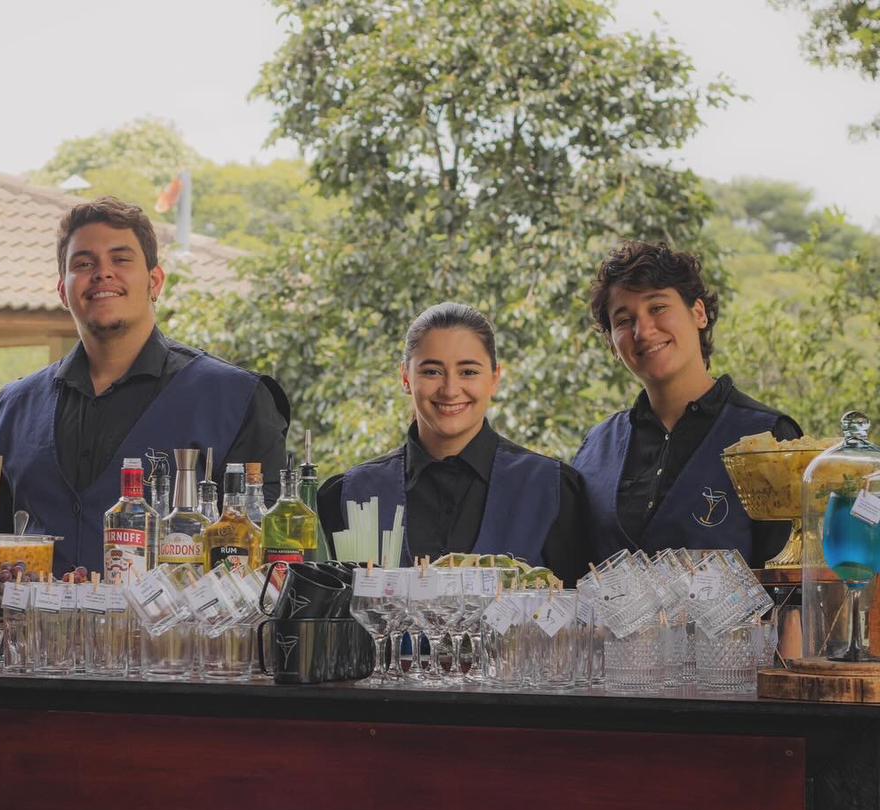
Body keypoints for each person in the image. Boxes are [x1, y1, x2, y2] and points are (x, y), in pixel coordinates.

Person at [0, 197, 289, 576]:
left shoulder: (237, 398)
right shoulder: (15, 407)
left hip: (181, 632)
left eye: (121, 259)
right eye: (83, 263)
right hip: (38, 633)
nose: (102, 273)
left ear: (155, 281)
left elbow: (275, 561)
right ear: (63, 291)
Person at [319, 302, 590, 585]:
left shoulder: (551, 489)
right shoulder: (349, 495)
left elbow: (581, 619)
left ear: (495, 378)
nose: (450, 390)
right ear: (405, 378)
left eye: (469, 372)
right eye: (432, 371)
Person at [573, 241, 801, 567]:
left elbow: (793, 584)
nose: (644, 330)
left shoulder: (768, 438)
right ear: (612, 342)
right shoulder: (597, 447)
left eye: (658, 308)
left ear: (698, 313)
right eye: (623, 320)